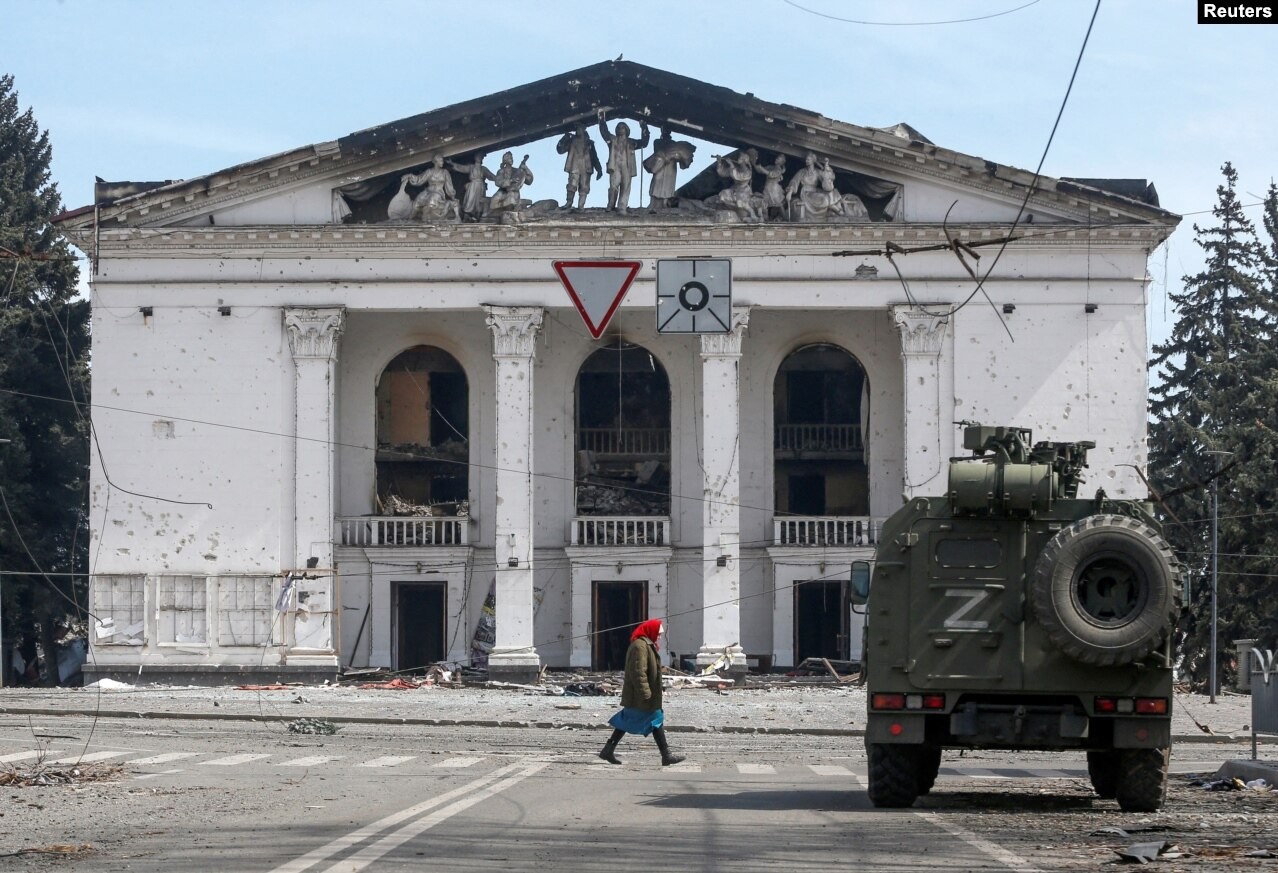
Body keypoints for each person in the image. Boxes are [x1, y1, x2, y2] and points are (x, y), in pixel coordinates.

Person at [598, 619, 685, 766]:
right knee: (655, 720)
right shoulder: (640, 646)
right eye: (658, 633)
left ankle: (608, 750)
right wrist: (645, 692)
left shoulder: (646, 645)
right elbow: (638, 672)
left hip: (641, 694)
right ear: (651, 631)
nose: (659, 637)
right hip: (640, 694)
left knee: (631, 720)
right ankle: (666, 755)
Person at [597, 111, 650, 214]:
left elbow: (644, 142)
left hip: (627, 166)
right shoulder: (612, 140)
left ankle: (622, 207)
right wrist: (601, 120)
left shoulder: (631, 142)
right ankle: (611, 204)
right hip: (615, 165)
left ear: (626, 130)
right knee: (613, 186)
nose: (620, 128)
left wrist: (644, 126)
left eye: (622, 127)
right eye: (618, 127)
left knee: (626, 186)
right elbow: (604, 132)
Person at [644, 128, 694, 210]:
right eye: (664, 130)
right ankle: (653, 204)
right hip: (661, 166)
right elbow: (658, 151)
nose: (666, 132)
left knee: (668, 185)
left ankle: (664, 204)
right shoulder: (657, 141)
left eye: (667, 130)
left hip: (670, 167)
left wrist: (678, 156)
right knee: (656, 183)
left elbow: (680, 157)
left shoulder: (674, 143)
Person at [556, 122, 602, 210]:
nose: (578, 130)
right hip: (574, 166)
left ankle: (581, 206)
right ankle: (568, 203)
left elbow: (594, 157)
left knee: (584, 187)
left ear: (584, 130)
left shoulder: (589, 143)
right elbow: (560, 150)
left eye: (580, 128)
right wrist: (565, 137)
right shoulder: (571, 141)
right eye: (577, 129)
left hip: (586, 167)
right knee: (571, 185)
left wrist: (599, 169)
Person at [447, 153, 496, 221]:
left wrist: (499, 179)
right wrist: (452, 163)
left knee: (479, 200)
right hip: (472, 186)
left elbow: (491, 176)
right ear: (475, 158)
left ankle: (478, 214)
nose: (478, 159)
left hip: (480, 186)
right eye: (477, 157)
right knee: (470, 199)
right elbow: (463, 168)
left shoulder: (483, 169)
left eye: (480, 157)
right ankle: (467, 214)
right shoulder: (471, 167)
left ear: (482, 159)